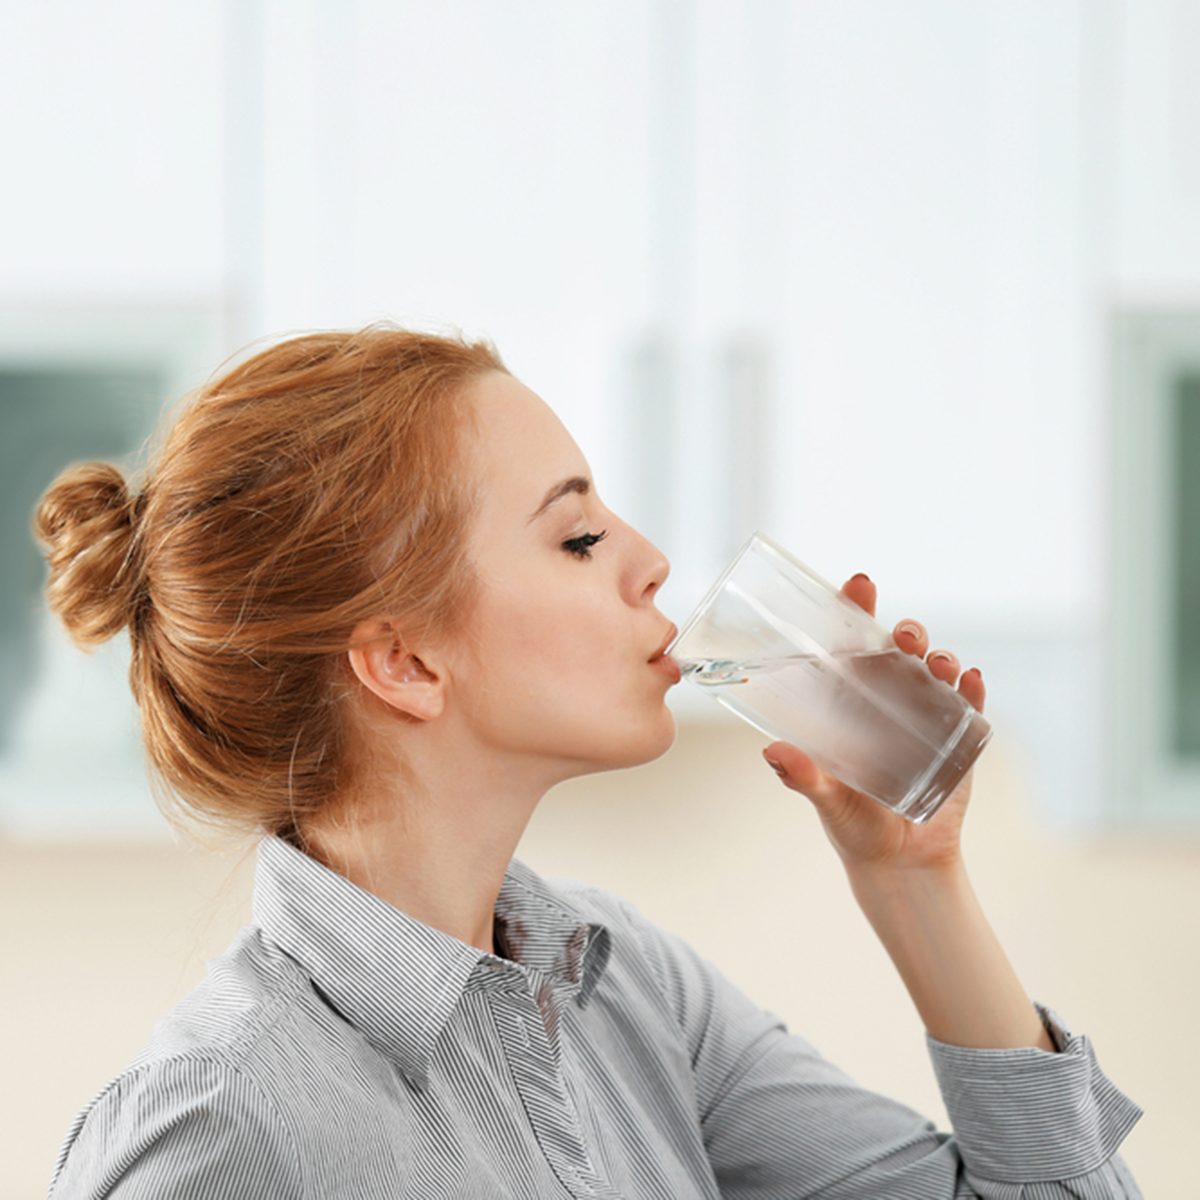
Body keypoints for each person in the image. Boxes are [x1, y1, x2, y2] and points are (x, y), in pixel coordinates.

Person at [38, 323, 1143, 1198]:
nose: (654, 561)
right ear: (404, 662)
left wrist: (916, 882)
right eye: (577, 538)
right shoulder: (214, 1129)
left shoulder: (625, 992)